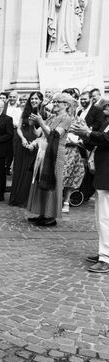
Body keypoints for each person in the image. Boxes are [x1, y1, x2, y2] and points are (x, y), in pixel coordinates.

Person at [26, 93, 76, 226]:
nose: (54, 104)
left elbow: (54, 135)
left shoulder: (66, 118)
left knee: (52, 182)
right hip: (44, 151)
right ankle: (42, 213)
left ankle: (51, 216)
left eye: (57, 102)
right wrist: (32, 124)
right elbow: (39, 133)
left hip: (56, 153)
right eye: (54, 102)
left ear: (66, 105)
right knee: (42, 181)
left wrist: (41, 122)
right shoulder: (53, 117)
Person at [72, 105, 109, 272]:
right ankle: (103, 252)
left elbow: (106, 139)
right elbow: (97, 141)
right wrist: (81, 138)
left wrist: (87, 132)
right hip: (102, 174)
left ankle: (106, 258)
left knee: (106, 218)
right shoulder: (107, 122)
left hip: (107, 175)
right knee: (100, 217)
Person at [9, 92, 44, 207]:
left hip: (35, 144)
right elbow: (19, 128)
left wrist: (33, 143)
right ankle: (16, 197)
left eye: (36, 99)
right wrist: (23, 139)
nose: (34, 100)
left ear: (41, 100)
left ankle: (27, 198)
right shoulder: (25, 111)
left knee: (30, 171)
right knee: (19, 169)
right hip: (22, 142)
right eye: (32, 98)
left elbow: (41, 133)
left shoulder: (44, 113)